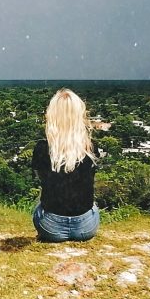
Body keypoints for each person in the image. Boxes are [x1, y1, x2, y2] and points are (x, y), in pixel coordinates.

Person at [31, 89, 100, 242]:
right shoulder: (90, 148)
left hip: (51, 228)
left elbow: (41, 179)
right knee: (93, 207)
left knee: (38, 208)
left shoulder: (42, 148)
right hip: (86, 227)